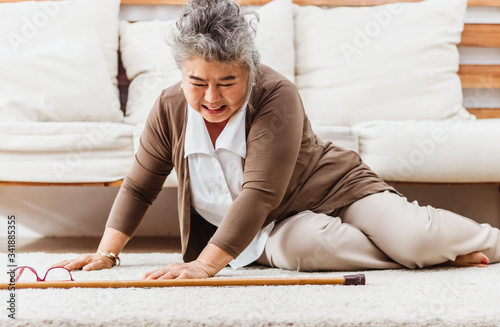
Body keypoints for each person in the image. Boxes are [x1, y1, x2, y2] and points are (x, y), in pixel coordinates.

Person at [55, 0, 500, 279]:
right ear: (181, 73)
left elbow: (260, 192)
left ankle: (448, 246)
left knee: (415, 237)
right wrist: (106, 255)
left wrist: (205, 266)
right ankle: (428, 258)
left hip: (334, 189)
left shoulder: (275, 94)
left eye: (227, 81)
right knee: (307, 250)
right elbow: (139, 186)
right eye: (198, 82)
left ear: (249, 70)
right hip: (276, 227)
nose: (211, 98)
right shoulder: (169, 106)